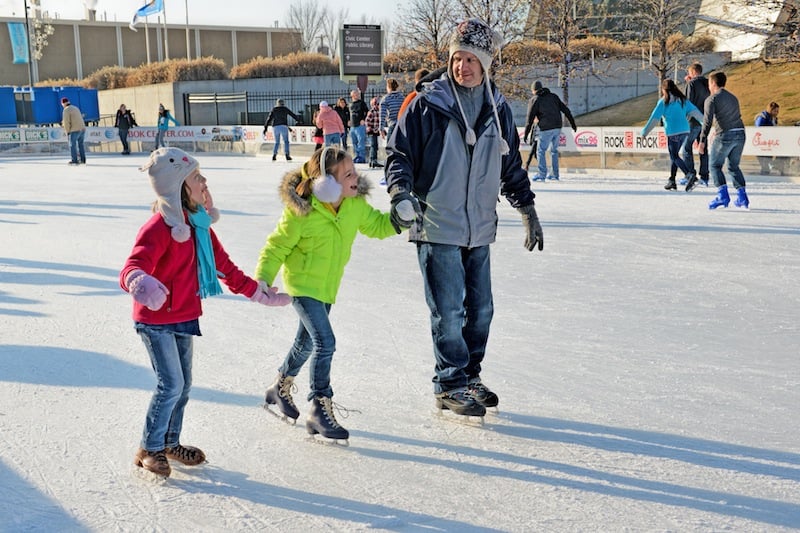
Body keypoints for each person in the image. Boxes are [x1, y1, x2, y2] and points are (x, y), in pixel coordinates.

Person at [385, 18, 543, 418]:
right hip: (436, 223)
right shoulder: (427, 104)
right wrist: (400, 192)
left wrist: (526, 207)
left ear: (486, 63)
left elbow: (509, 164)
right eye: (458, 58)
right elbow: (398, 154)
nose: (463, 67)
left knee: (482, 309)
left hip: (479, 227)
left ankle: (469, 375)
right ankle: (449, 383)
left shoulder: (498, 107)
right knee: (449, 311)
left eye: (472, 59)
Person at [120, 147, 290, 478]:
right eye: (197, 177)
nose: (204, 181)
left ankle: (169, 442)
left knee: (182, 386)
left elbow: (225, 269)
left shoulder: (198, 227)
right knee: (170, 384)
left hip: (183, 314)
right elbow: (133, 265)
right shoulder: (160, 226)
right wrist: (141, 282)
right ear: (179, 186)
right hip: (154, 319)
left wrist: (259, 292)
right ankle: (149, 448)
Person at [255, 146, 406, 442]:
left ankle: (279, 387)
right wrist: (263, 278)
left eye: (354, 171)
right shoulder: (303, 211)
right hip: (302, 285)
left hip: (327, 287)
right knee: (325, 342)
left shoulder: (354, 205)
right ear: (326, 183)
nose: (356, 178)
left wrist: (400, 220)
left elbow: (377, 225)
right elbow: (277, 246)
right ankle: (319, 407)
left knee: (307, 343)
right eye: (348, 174)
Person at [641, 79, 704, 192]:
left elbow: (654, 119)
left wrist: (645, 132)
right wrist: (705, 123)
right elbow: (696, 112)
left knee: (674, 156)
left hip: (673, 132)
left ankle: (689, 174)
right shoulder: (683, 100)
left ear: (664, 89)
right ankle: (672, 181)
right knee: (674, 157)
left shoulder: (664, 101)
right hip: (685, 131)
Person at [698, 71, 750, 209]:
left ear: (713, 83)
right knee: (733, 166)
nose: (708, 86)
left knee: (714, 165)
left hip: (725, 135)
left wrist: (702, 141)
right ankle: (742, 197)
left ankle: (723, 196)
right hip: (740, 134)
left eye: (709, 83)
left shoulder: (711, 99)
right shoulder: (733, 97)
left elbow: (707, 122)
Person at [523, 80, 577, 181]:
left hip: (546, 128)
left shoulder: (535, 99)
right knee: (554, 151)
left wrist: (526, 133)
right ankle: (554, 174)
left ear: (533, 90)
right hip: (557, 127)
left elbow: (529, 118)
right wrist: (572, 123)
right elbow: (565, 110)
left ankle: (542, 174)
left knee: (540, 151)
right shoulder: (553, 96)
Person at [675, 63, 710, 187]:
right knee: (703, 148)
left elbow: (687, 102)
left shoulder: (691, 84)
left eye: (689, 73)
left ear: (693, 72)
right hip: (705, 120)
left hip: (692, 121)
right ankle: (705, 176)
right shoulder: (708, 83)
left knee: (686, 148)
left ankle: (690, 174)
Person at [754, 101, 786, 175]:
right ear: (770, 110)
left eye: (778, 111)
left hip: (771, 142)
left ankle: (775, 165)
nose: (777, 112)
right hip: (761, 143)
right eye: (775, 111)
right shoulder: (762, 117)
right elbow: (759, 129)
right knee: (765, 165)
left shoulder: (774, 119)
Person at [61, 97, 86, 165]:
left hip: (74, 130)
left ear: (63, 104)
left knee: (72, 145)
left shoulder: (66, 110)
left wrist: (67, 131)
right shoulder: (75, 107)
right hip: (82, 128)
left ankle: (74, 160)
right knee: (81, 145)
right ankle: (83, 160)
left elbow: (66, 122)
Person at [348, 89, 370, 164]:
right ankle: (357, 156)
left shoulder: (362, 103)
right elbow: (349, 114)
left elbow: (367, 112)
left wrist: (363, 119)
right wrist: (348, 120)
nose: (357, 95)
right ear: (352, 95)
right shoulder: (350, 104)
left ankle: (362, 157)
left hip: (360, 126)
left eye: (357, 94)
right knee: (354, 143)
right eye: (355, 94)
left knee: (361, 142)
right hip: (352, 127)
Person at [365, 96, 383, 169]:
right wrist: (369, 128)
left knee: (375, 146)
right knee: (373, 146)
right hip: (371, 131)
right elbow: (367, 120)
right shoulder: (372, 111)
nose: (379, 106)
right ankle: (372, 160)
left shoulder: (379, 111)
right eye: (378, 104)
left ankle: (373, 160)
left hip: (376, 131)